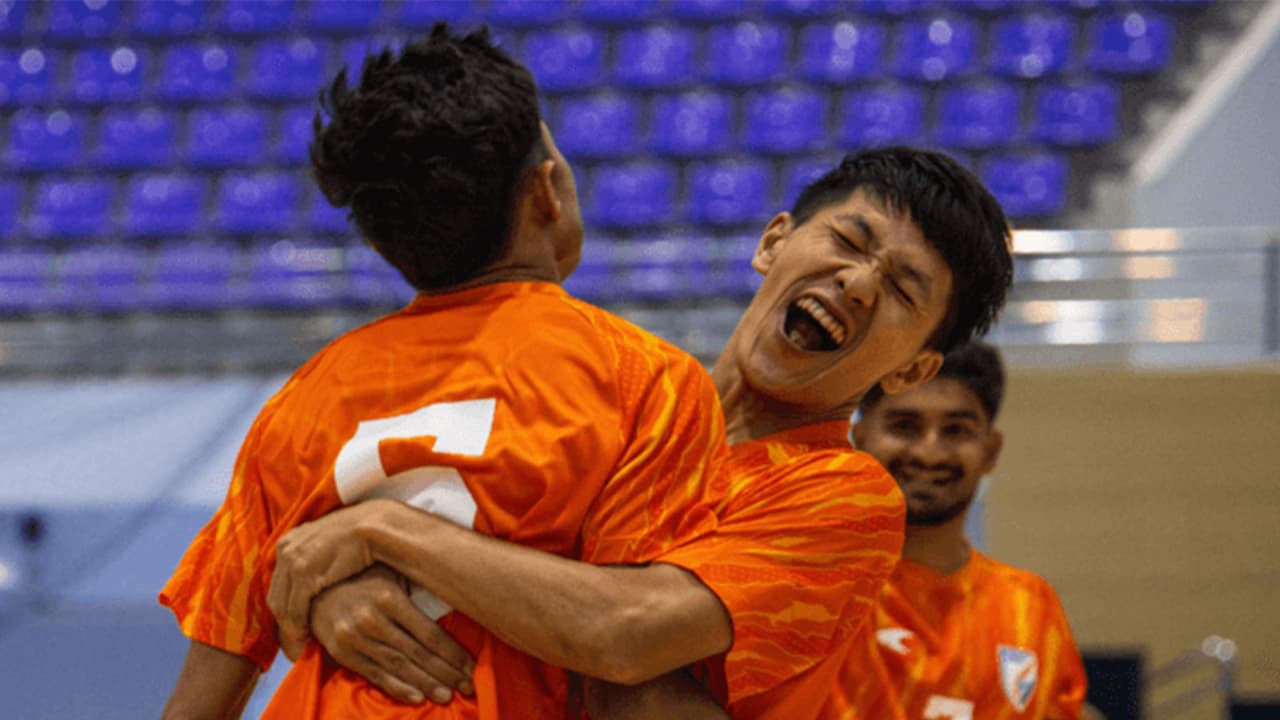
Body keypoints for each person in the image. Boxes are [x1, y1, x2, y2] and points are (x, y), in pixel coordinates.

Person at [264, 146, 1016, 719]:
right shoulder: (615, 397)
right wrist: (344, 591)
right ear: (773, 242)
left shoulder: (845, 499)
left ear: (913, 369)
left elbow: (623, 636)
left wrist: (389, 535)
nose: (857, 283)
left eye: (902, 289)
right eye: (850, 242)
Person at [158, 25, 730, 720]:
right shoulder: (643, 380)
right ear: (546, 192)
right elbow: (634, 662)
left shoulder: (300, 403)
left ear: (377, 239)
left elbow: (197, 703)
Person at [827, 341, 1088, 719]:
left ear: (990, 451)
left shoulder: (1031, 606)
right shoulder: (817, 593)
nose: (929, 452)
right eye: (904, 426)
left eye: (956, 430)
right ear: (860, 438)